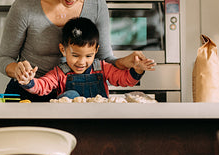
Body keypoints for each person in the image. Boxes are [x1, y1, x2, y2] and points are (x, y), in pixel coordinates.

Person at [0, 0, 155, 101]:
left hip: (75, 97)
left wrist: (125, 63)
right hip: (28, 92)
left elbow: (104, 60)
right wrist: (19, 71)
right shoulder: (26, 4)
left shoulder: (97, 4)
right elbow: (4, 58)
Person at [16, 17, 151, 100]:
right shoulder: (59, 73)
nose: (81, 62)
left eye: (88, 56)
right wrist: (28, 81)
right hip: (71, 123)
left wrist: (137, 71)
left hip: (99, 122)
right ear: (63, 50)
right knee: (71, 95)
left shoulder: (103, 68)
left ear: (96, 51)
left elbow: (125, 80)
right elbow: (42, 86)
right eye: (75, 55)